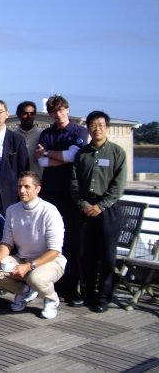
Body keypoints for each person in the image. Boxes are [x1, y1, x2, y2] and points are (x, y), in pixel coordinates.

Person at [0, 172, 66, 319]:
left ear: (38, 189)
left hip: (50, 262)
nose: (22, 190)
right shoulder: (12, 210)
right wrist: (0, 259)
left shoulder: (50, 211)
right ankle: (25, 292)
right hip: (22, 258)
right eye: (20, 186)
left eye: (27, 187)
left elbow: (55, 250)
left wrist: (28, 266)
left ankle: (51, 299)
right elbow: (7, 241)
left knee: (36, 278)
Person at [35, 94, 89, 306]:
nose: (58, 114)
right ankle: (51, 285)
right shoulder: (47, 133)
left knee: (72, 242)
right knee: (50, 240)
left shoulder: (79, 131)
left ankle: (72, 289)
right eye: (53, 111)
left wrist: (50, 153)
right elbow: (42, 161)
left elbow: (75, 156)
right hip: (50, 193)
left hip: (72, 194)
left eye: (60, 110)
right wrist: (62, 157)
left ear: (67, 109)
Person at [71, 110, 126, 313]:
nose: (97, 129)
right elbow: (74, 183)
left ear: (107, 127)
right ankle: (87, 294)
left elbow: (118, 186)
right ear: (88, 128)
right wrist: (83, 204)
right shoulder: (82, 154)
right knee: (85, 254)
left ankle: (104, 297)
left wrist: (101, 206)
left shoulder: (117, 153)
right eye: (93, 125)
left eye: (101, 125)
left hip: (107, 210)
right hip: (85, 209)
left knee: (107, 256)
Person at [14, 101, 43, 177]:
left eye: (32, 114)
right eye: (25, 113)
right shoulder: (13, 136)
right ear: (18, 116)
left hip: (39, 179)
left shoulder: (42, 134)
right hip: (19, 180)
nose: (29, 116)